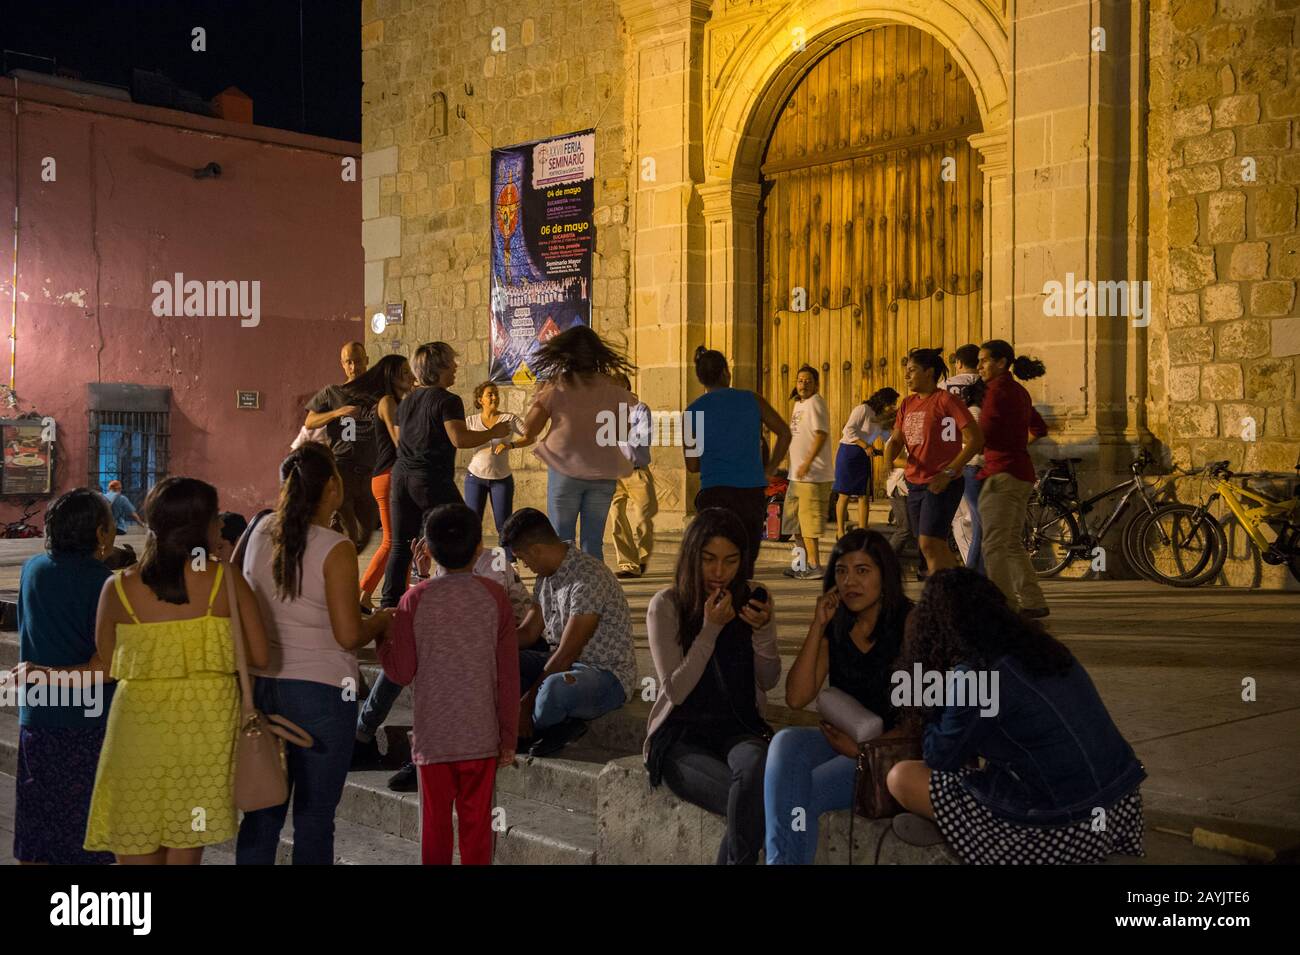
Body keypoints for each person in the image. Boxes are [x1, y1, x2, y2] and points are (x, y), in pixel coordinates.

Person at [886, 568, 1145, 864]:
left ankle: (965, 835)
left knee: (901, 778)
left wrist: (922, 679)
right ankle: (958, 831)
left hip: (1068, 825)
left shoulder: (976, 675)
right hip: (1119, 807)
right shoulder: (1042, 647)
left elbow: (939, 757)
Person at [84, 478, 270, 864]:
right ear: (202, 525)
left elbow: (109, 660)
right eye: (215, 517)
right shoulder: (225, 580)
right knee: (188, 838)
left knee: (134, 830)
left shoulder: (118, 588)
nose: (220, 524)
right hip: (207, 727)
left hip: (137, 726)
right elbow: (260, 655)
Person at [235, 443, 395, 865]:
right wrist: (382, 620)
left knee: (261, 814)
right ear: (331, 488)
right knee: (315, 818)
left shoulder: (259, 530)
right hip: (323, 694)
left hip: (264, 686)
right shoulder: (335, 547)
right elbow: (348, 635)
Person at [377, 504, 520, 864]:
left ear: (427, 547)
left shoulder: (414, 600)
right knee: (477, 830)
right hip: (480, 736)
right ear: (477, 549)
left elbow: (401, 672)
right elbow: (507, 675)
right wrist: (508, 737)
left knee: (435, 827)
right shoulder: (494, 597)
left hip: (434, 738)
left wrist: (383, 637)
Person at [355, 521, 542, 794]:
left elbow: (477, 618)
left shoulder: (494, 564)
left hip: (507, 641)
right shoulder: (447, 564)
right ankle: (364, 735)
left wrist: (386, 634)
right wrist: (422, 574)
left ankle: (417, 759)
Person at [763, 529, 912, 864]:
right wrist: (817, 626)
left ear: (884, 575)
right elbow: (796, 698)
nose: (850, 582)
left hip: (893, 755)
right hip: (842, 743)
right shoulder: (837, 624)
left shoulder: (910, 623)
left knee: (803, 795)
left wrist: (863, 751)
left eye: (862, 571)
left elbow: (923, 722)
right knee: (785, 742)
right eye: (842, 571)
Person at [644, 508, 778, 864]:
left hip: (739, 730)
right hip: (682, 738)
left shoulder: (754, 598)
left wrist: (763, 634)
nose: (719, 573)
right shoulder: (667, 605)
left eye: (731, 561)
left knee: (754, 772)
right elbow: (675, 690)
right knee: (755, 804)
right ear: (692, 555)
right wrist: (710, 630)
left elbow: (769, 680)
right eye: (708, 560)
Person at [7, 490, 117, 865]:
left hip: (38, 716)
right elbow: (106, 667)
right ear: (100, 533)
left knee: (38, 829)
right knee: (87, 833)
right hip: (87, 723)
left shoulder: (32, 569)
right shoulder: (105, 583)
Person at [381, 342, 510, 608]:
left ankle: (390, 606)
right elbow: (459, 438)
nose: (456, 367)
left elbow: (399, 439)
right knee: (464, 531)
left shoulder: (406, 402)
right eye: (451, 362)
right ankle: (464, 596)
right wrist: (494, 432)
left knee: (400, 545)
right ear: (438, 368)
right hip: (429, 477)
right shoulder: (447, 400)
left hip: (401, 477)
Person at [500, 508, 636, 757]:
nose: (524, 565)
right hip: (562, 662)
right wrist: (487, 643)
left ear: (536, 550)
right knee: (501, 661)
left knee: (552, 691)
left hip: (604, 673)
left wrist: (525, 702)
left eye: (522, 558)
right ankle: (551, 724)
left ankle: (546, 724)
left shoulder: (588, 576)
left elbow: (566, 654)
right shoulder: (545, 576)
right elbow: (529, 632)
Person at [510, 326, 636, 560]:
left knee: (561, 541)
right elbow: (622, 431)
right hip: (602, 472)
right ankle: (591, 594)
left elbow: (531, 429)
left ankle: (563, 594)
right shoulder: (614, 388)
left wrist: (540, 398)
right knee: (593, 544)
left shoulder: (555, 386)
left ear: (565, 354)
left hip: (564, 470)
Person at [880, 348, 983, 575]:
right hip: (914, 483)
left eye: (912, 370)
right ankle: (959, 586)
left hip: (942, 483)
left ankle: (940, 593)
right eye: (905, 371)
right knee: (931, 545)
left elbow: (975, 439)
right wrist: (888, 458)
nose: (906, 376)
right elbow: (897, 439)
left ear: (929, 372)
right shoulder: (907, 404)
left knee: (929, 543)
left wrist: (948, 472)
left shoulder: (946, 400)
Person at [686, 347, 791, 565]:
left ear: (700, 378)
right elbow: (784, 432)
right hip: (749, 494)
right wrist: (769, 470)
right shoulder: (752, 400)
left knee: (716, 562)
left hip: (714, 493)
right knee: (744, 560)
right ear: (726, 372)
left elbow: (692, 465)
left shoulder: (691, 413)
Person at [974, 340, 1051, 616]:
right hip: (1021, 472)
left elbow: (980, 435)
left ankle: (1004, 606)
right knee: (1010, 543)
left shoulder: (996, 391)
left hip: (1001, 474)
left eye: (984, 360)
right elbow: (1038, 428)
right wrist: (1015, 446)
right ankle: (1033, 600)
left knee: (993, 545)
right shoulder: (1019, 391)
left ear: (1002, 363)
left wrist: (956, 461)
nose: (979, 366)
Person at [353, 355, 416, 608]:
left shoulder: (400, 401)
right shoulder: (388, 402)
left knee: (405, 541)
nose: (411, 376)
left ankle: (397, 597)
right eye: (404, 372)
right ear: (392, 377)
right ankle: (362, 595)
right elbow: (400, 442)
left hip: (394, 475)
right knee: (393, 541)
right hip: (388, 475)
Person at [304, 342, 380, 550]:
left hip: (369, 473)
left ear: (367, 361)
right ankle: (338, 577)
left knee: (364, 535)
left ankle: (341, 573)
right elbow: (310, 421)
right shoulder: (333, 393)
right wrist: (336, 413)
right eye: (349, 362)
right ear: (343, 365)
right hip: (342, 470)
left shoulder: (379, 395)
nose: (354, 367)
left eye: (358, 361)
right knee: (346, 536)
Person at [783, 365, 834, 580]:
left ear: (816, 384)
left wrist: (807, 462)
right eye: (800, 380)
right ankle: (800, 564)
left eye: (808, 381)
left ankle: (814, 566)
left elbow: (820, 435)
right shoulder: (798, 404)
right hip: (796, 475)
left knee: (809, 523)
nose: (803, 384)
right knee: (793, 521)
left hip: (812, 476)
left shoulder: (816, 403)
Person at [464, 381, 524, 563]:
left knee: (504, 525)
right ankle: (470, 563)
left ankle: (510, 565)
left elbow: (530, 435)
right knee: (473, 524)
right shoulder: (471, 421)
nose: (494, 397)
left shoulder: (509, 419)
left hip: (501, 479)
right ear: (480, 399)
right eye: (490, 394)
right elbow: (460, 440)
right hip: (474, 478)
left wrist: (510, 444)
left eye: (496, 393)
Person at [609, 371, 657, 579]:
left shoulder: (640, 409)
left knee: (643, 518)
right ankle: (628, 564)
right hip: (613, 473)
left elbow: (640, 438)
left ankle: (643, 557)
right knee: (616, 518)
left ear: (626, 387)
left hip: (636, 471)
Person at [833, 387, 899, 538]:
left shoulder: (881, 417)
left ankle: (863, 530)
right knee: (844, 494)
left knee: (864, 494)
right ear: (882, 401)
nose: (892, 407)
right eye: (891, 403)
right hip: (848, 452)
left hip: (864, 454)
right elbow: (848, 430)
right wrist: (866, 445)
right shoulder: (863, 409)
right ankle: (840, 531)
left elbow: (887, 438)